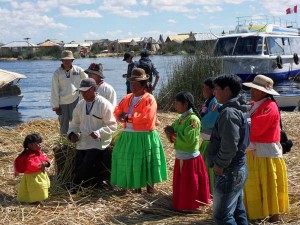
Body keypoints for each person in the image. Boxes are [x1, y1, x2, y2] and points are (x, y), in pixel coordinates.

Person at [110, 68, 168, 193]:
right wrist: (120, 115)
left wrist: (127, 117)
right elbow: (117, 110)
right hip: (128, 136)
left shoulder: (149, 99)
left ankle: (150, 190)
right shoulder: (127, 98)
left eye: (135, 84)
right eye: (131, 83)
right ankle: (136, 188)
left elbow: (146, 117)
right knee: (129, 161)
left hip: (144, 136)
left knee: (146, 162)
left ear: (143, 85)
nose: (132, 87)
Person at [243, 75, 289, 222]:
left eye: (255, 89)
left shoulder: (270, 107)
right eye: (252, 88)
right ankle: (258, 214)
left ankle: (274, 216)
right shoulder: (254, 104)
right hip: (255, 152)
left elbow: (256, 127)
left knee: (268, 184)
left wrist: (240, 125)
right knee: (256, 184)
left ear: (264, 92)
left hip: (266, 154)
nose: (251, 91)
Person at [206, 74, 249, 225]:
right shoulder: (238, 108)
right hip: (237, 168)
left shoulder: (229, 113)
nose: (214, 92)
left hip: (229, 171)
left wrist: (220, 164)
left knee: (222, 216)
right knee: (237, 211)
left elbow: (230, 145)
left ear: (227, 90)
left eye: (217, 89)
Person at [67, 78, 117, 190]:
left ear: (94, 89)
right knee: (79, 163)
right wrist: (72, 134)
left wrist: (99, 133)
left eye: (86, 91)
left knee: (89, 160)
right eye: (81, 91)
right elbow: (74, 123)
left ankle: (79, 186)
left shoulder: (104, 104)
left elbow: (112, 125)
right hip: (83, 141)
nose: (83, 94)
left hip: (99, 141)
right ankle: (82, 185)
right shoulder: (80, 105)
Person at [164, 91, 210, 212]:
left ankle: (190, 206)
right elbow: (173, 131)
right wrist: (169, 131)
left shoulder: (193, 120)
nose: (175, 105)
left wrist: (172, 133)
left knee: (190, 184)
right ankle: (181, 204)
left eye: (177, 103)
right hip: (181, 156)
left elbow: (189, 140)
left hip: (190, 159)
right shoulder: (180, 118)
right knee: (183, 183)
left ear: (185, 104)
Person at [51, 50, 88, 135]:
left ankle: (78, 140)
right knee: (63, 124)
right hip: (62, 102)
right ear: (62, 61)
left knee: (77, 122)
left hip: (75, 99)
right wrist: (56, 106)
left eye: (69, 60)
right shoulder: (57, 73)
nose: (67, 62)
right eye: (65, 60)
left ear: (72, 60)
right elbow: (54, 90)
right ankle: (64, 142)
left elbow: (88, 80)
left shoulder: (78, 70)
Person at [199, 77, 222, 195]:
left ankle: (212, 192)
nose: (203, 90)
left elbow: (209, 121)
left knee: (210, 168)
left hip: (212, 142)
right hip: (206, 141)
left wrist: (198, 122)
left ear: (213, 90)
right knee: (205, 168)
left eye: (205, 88)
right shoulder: (208, 101)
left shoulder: (215, 102)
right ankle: (207, 190)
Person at [14, 133, 50, 203]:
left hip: (39, 174)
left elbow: (43, 158)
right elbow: (31, 165)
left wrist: (47, 163)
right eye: (37, 144)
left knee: (41, 187)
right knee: (35, 188)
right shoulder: (28, 155)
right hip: (32, 177)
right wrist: (40, 165)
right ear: (30, 145)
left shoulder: (37, 152)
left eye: (40, 143)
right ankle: (33, 200)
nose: (40, 145)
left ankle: (39, 198)